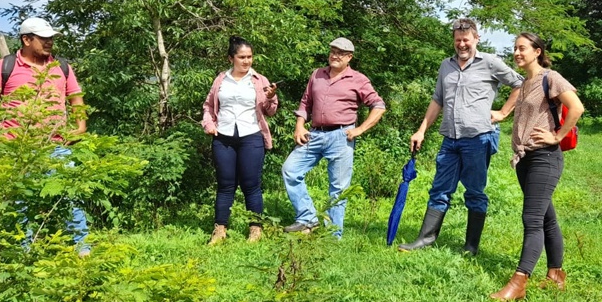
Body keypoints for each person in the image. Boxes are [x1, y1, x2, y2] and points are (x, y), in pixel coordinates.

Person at [399, 18, 524, 255]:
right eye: (458, 40)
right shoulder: (446, 66)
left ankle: (471, 246)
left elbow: (520, 84)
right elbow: (437, 99)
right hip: (450, 139)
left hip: (478, 138)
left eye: (466, 40)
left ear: (476, 39)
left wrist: (504, 112)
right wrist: (421, 129)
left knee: (474, 191)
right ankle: (425, 239)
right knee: (439, 189)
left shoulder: (489, 62)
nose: (462, 44)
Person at [0, 17, 89, 256]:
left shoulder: (61, 67)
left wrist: (80, 127)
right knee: (20, 205)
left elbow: (76, 99)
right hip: (16, 149)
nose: (49, 42)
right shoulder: (3, 67)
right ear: (26, 39)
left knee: (69, 196)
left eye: (51, 38)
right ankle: (22, 255)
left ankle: (82, 250)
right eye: (43, 38)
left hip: (56, 146)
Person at [490, 33, 584, 302]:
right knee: (546, 218)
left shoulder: (550, 78)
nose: (517, 53)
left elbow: (576, 107)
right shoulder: (523, 84)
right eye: (515, 49)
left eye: (522, 48)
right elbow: (504, 113)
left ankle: (519, 282)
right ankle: (556, 276)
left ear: (537, 51)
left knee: (532, 219)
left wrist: (557, 135)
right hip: (525, 159)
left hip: (545, 157)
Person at [282, 37, 386, 238]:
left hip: (341, 136)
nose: (335, 55)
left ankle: (332, 236)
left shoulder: (358, 79)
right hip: (313, 134)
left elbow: (378, 106)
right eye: (332, 51)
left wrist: (360, 130)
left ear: (349, 57)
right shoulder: (317, 74)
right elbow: (305, 103)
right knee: (290, 170)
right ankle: (307, 219)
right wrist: (299, 126)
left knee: (338, 188)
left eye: (340, 53)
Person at [202, 36, 278, 244]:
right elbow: (209, 106)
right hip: (223, 137)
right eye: (242, 57)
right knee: (225, 185)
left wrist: (271, 97)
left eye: (250, 57)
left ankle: (255, 229)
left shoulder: (259, 80)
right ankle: (220, 230)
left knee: (251, 185)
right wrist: (209, 124)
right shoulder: (220, 80)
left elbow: (270, 111)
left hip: (251, 136)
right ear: (231, 58)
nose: (246, 61)